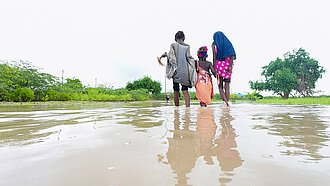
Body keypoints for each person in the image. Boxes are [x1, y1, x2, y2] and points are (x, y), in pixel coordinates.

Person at [160, 31, 197, 107]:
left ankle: (176, 108)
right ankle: (188, 108)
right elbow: (189, 58)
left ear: (175, 38)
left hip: (176, 71)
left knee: (176, 90)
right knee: (185, 90)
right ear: (183, 38)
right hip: (185, 72)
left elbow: (172, 57)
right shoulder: (187, 46)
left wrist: (166, 55)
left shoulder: (173, 45)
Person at [212, 31, 236, 106]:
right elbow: (232, 54)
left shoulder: (214, 45)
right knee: (227, 84)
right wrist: (230, 66)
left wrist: (214, 68)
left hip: (219, 67)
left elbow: (214, 57)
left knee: (220, 86)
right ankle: (227, 102)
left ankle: (225, 102)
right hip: (228, 66)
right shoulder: (228, 43)